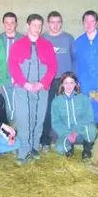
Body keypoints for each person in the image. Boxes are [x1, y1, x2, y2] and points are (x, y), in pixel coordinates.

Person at [8, 14, 57, 165]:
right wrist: (25, 84)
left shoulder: (47, 45)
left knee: (38, 118)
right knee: (24, 120)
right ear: (27, 26)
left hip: (42, 89)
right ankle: (23, 152)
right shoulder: (18, 44)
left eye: (40, 25)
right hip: (23, 89)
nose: (37, 28)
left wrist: (42, 84)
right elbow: (12, 65)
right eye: (34, 25)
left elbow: (52, 67)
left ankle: (34, 147)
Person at [40, 11, 76, 153]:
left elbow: (74, 59)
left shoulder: (68, 38)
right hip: (47, 80)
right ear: (48, 23)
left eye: (58, 22)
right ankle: (45, 141)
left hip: (64, 81)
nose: (55, 25)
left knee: (66, 111)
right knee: (47, 111)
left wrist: (72, 80)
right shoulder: (42, 38)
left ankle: (67, 141)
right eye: (52, 22)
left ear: (61, 23)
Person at [75, 10, 98, 126]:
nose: (89, 24)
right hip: (85, 86)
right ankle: (89, 142)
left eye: (92, 21)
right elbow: (76, 65)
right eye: (86, 21)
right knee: (88, 115)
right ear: (83, 23)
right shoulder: (78, 42)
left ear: (97, 23)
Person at [51, 71, 96, 161]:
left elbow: (89, 116)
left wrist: (75, 131)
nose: (68, 86)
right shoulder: (56, 101)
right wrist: (68, 134)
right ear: (62, 85)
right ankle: (69, 148)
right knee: (60, 148)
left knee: (91, 129)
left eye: (71, 82)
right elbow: (55, 122)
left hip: (80, 131)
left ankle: (86, 152)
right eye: (66, 83)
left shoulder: (83, 98)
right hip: (66, 133)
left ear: (76, 84)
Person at [0, 12, 23, 122]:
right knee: (6, 107)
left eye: (12, 23)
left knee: (19, 106)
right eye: (7, 23)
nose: (9, 26)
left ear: (16, 24)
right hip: (3, 79)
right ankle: (8, 133)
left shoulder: (23, 39)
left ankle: (18, 133)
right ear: (3, 23)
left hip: (19, 79)